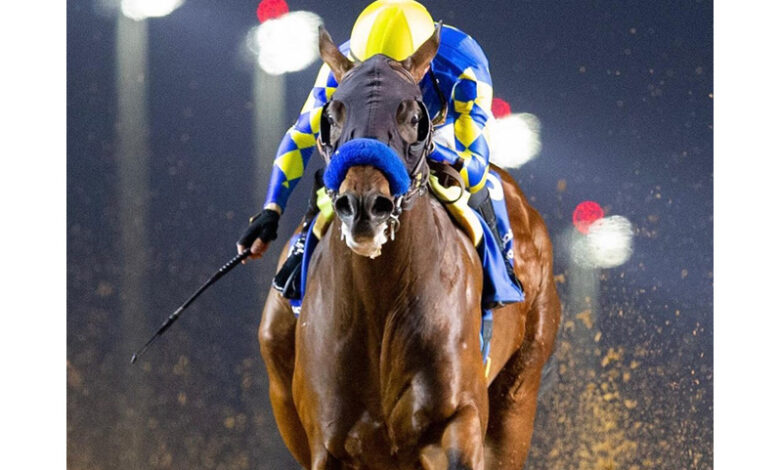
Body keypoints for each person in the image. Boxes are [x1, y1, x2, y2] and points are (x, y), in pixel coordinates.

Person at [238, 0, 521, 304]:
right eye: (370, 68)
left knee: (486, 186)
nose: (379, 77)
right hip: (375, 134)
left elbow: (476, 168)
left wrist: (425, 146)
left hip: (439, 125)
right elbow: (299, 137)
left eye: (392, 70)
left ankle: (502, 268)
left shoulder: (465, 68)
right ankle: (304, 245)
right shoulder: (345, 63)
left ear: (424, 64)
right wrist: (272, 210)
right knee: (341, 179)